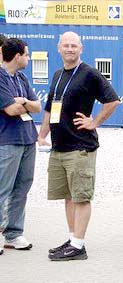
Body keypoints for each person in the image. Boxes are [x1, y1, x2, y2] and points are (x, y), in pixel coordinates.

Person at [37, 31, 120, 261]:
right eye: (66, 45)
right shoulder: (57, 75)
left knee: (81, 196)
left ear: (81, 48)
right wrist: (42, 134)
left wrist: (94, 122)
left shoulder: (90, 74)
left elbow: (113, 100)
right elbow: (50, 108)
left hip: (80, 147)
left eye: (74, 45)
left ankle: (79, 245)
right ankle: (73, 239)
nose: (70, 49)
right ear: (59, 48)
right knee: (68, 196)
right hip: (59, 147)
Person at [0, 38, 41, 255]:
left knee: (22, 188)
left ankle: (14, 234)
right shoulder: (0, 77)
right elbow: (10, 110)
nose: (28, 58)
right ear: (17, 56)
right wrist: (22, 104)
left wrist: (22, 100)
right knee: (2, 189)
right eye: (26, 54)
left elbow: (37, 106)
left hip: (28, 139)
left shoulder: (22, 77)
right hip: (7, 141)